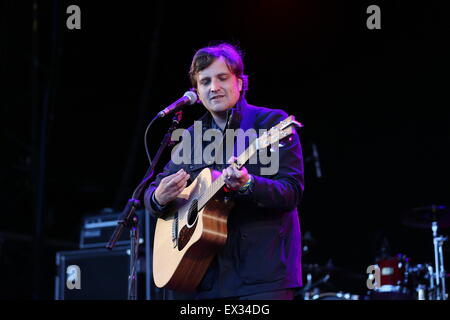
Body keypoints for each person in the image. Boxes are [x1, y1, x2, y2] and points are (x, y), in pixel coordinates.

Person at [144, 43, 304, 300]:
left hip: (262, 277)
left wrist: (248, 184)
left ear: (240, 83)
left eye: (222, 78)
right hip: (204, 276)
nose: (213, 87)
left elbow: (291, 192)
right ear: (196, 91)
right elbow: (152, 192)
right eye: (205, 81)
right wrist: (157, 198)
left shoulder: (272, 124)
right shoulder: (191, 137)